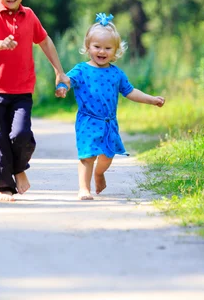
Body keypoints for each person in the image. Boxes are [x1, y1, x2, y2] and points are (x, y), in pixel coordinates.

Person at [0, 0, 70, 202]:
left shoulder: (29, 16)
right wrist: (0, 44)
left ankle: (19, 168)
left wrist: (59, 71)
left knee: (20, 135)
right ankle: (5, 187)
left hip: (21, 91)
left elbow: (45, 41)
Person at [55, 13, 165, 200]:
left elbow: (131, 92)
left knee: (107, 157)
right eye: (97, 47)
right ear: (88, 47)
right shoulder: (82, 69)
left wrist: (151, 99)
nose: (102, 51)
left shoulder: (117, 74)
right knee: (87, 156)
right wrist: (62, 87)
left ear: (116, 51)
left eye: (108, 48)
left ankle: (99, 173)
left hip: (108, 123)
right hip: (88, 120)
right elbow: (67, 80)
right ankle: (84, 189)